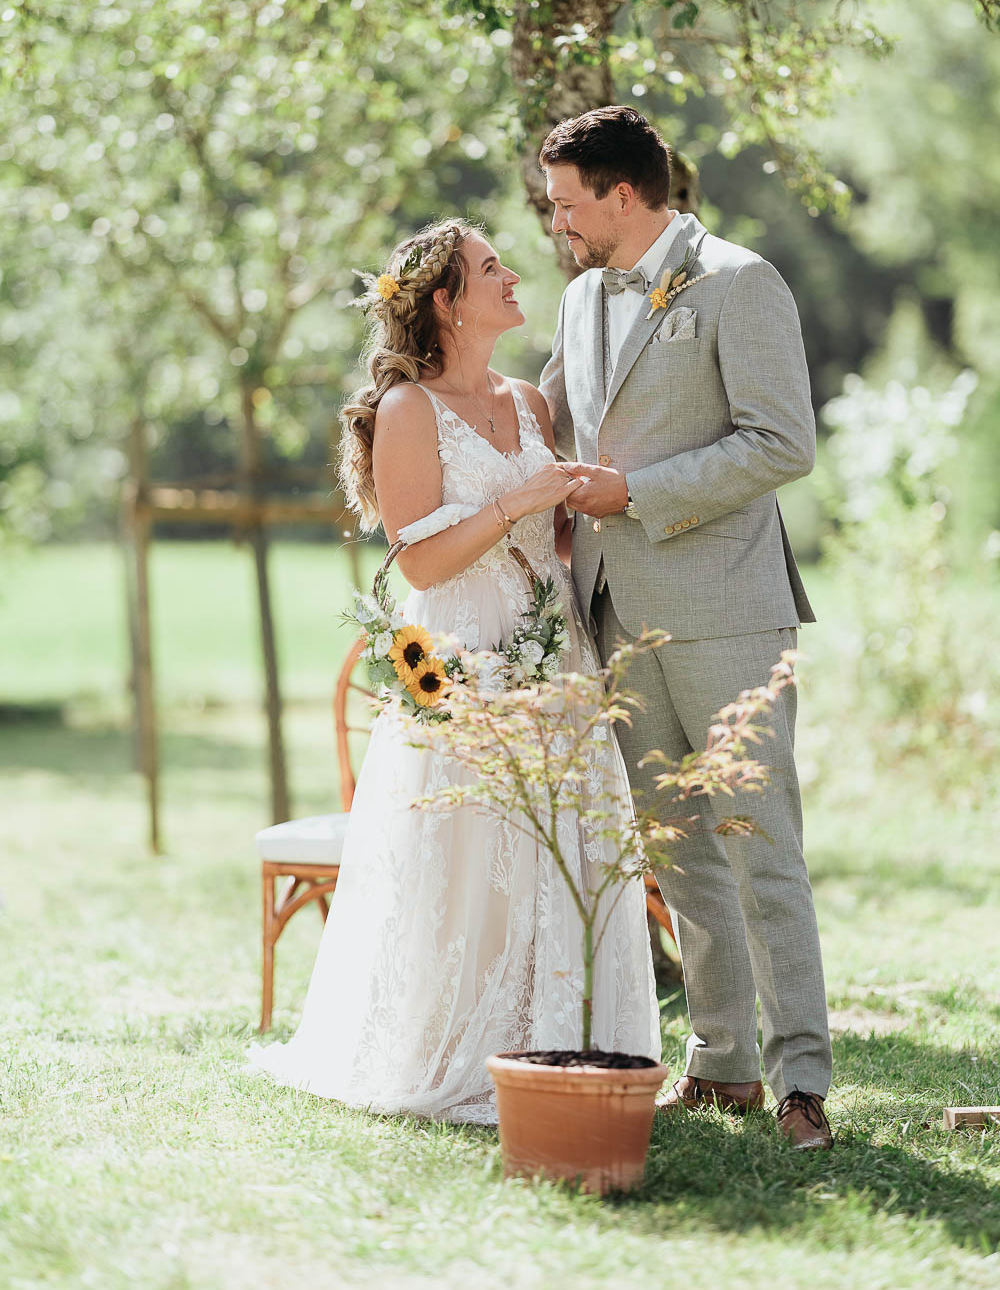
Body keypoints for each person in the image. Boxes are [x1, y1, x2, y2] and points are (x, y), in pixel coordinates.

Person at [246, 217, 660, 1123]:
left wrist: (576, 505)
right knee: (470, 852)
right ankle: (458, 1050)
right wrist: (520, 496)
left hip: (555, 654)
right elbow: (422, 561)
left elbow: (554, 537)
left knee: (561, 843)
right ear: (446, 302)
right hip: (461, 660)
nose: (512, 275)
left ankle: (565, 1037)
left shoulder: (527, 401)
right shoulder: (407, 411)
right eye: (489, 268)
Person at [538, 107, 834, 1150]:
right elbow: (558, 424)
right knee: (681, 855)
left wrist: (635, 492)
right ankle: (722, 1066)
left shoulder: (739, 282)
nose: (558, 223)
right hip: (618, 612)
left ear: (624, 194)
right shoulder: (578, 299)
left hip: (724, 609)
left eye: (569, 203)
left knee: (761, 846)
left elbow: (780, 442)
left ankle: (806, 1082)